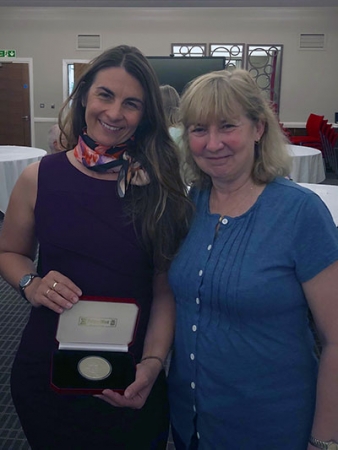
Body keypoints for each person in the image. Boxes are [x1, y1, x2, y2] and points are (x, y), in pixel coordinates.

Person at [0, 45, 192, 450]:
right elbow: (8, 253)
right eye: (105, 94)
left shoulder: (161, 187)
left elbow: (165, 291)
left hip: (132, 372)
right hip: (47, 365)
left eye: (132, 103)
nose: (115, 112)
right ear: (85, 94)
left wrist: (154, 365)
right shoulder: (40, 177)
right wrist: (30, 283)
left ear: (146, 115)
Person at [167, 69, 338, 449]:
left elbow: (336, 339)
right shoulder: (190, 204)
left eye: (227, 126)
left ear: (258, 128)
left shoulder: (299, 212)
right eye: (198, 129)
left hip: (270, 426)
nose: (212, 144)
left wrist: (324, 441)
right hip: (190, 420)